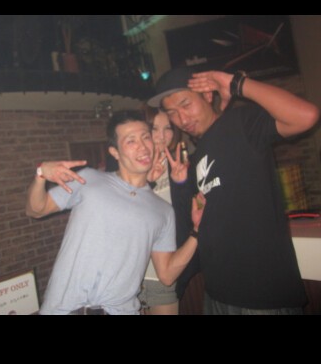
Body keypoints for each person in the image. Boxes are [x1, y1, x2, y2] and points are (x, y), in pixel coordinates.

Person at [148, 68, 319, 314]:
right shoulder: (197, 156)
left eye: (185, 105)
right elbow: (197, 219)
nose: (181, 119)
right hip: (216, 292)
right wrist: (181, 184)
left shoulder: (240, 123)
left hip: (262, 294)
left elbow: (306, 116)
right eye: (172, 113)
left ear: (207, 95)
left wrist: (237, 83)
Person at [26, 110, 205, 315]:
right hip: (66, 309)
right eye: (131, 141)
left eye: (146, 137)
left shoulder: (163, 210)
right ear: (115, 152)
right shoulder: (89, 179)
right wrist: (41, 175)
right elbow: (36, 210)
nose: (143, 146)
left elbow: (167, 275)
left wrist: (197, 231)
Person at [138, 106, 198, 315]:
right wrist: (148, 183)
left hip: (162, 276)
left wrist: (180, 184)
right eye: (154, 129)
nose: (162, 136)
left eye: (168, 128)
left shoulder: (180, 166)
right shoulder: (133, 168)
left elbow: (188, 219)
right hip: (131, 277)